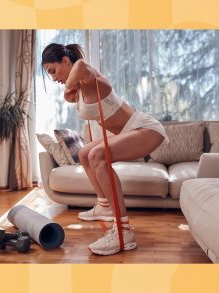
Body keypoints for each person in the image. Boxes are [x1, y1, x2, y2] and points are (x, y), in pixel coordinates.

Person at [41, 43, 169, 256]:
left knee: (97, 155)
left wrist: (68, 88)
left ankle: (123, 231)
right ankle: (103, 204)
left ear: (65, 61)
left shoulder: (87, 75)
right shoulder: (81, 87)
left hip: (146, 128)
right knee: (84, 153)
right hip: (130, 131)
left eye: (53, 71)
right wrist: (71, 91)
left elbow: (80, 64)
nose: (54, 78)